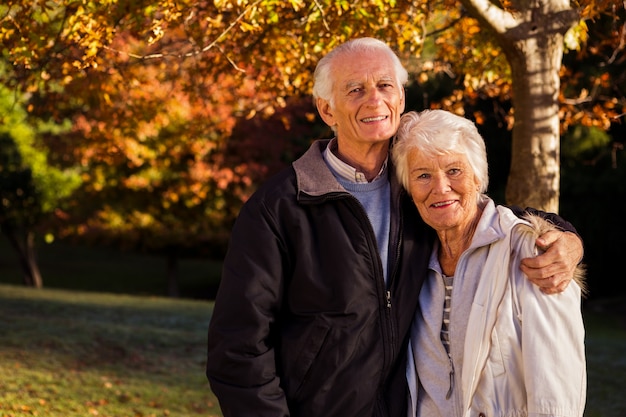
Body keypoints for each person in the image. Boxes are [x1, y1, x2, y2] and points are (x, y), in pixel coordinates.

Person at [206, 37, 584, 417]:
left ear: (400, 98)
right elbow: (238, 349)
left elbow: (477, 211)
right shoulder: (280, 208)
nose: (374, 100)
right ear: (326, 109)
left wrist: (567, 238)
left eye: (384, 85)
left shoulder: (415, 187)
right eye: (355, 90)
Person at [391, 109, 586, 417]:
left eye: (454, 170)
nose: (440, 188)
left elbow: (557, 392)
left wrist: (573, 240)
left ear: (478, 176)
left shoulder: (533, 251)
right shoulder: (409, 258)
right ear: (409, 188)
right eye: (423, 175)